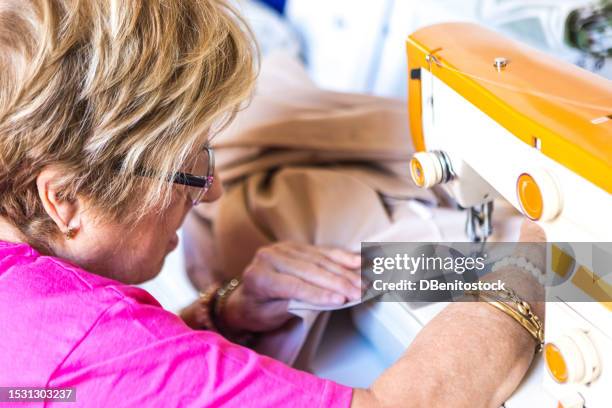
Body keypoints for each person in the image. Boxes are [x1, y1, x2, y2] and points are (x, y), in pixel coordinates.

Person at [0, 1, 545, 407]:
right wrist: (540, 260)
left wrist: (218, 316)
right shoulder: (87, 338)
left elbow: (49, 389)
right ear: (65, 199)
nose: (211, 190)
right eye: (189, 170)